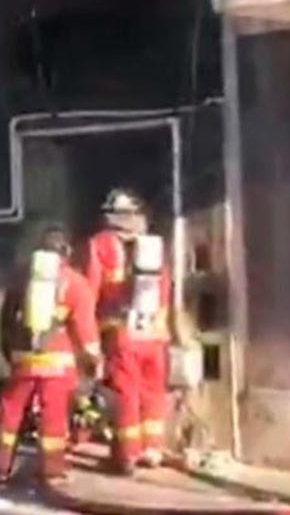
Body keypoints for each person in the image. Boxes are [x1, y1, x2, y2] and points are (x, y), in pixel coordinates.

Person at [0, 225, 101, 488]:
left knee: (11, 412)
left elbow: (6, 319)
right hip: (58, 363)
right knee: (54, 415)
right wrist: (94, 360)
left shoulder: (21, 277)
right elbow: (85, 329)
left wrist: (10, 352)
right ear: (66, 251)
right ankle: (52, 469)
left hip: (23, 357)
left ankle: (0, 467)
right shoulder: (75, 283)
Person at [82, 190, 172, 475]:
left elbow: (89, 293)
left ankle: (127, 455)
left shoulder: (100, 245)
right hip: (154, 333)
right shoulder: (153, 246)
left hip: (121, 332)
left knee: (126, 395)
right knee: (153, 391)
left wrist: (90, 338)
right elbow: (165, 288)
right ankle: (153, 449)